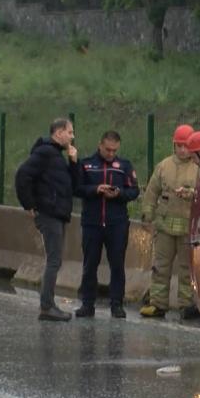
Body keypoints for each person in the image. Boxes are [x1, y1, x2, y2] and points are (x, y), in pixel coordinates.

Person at [15, 118, 78, 321]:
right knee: (53, 260)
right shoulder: (45, 153)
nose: (72, 136)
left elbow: (73, 186)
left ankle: (48, 305)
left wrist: (74, 162)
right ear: (58, 133)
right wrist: (30, 204)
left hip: (58, 213)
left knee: (55, 260)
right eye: (69, 132)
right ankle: (47, 306)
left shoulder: (57, 156)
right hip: (49, 213)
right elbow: (22, 175)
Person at [73, 130, 139, 319]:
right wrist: (96, 189)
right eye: (107, 150)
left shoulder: (124, 166)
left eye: (114, 150)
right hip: (92, 223)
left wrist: (118, 194)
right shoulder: (86, 165)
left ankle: (117, 304)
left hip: (116, 223)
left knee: (117, 264)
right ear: (100, 145)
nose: (111, 154)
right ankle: (87, 304)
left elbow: (134, 191)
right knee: (89, 264)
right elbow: (77, 188)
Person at [139, 124, 200, 320]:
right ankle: (157, 304)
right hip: (164, 228)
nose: (183, 150)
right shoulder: (164, 166)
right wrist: (147, 216)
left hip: (187, 229)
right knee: (160, 267)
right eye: (179, 145)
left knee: (186, 270)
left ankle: (187, 306)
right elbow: (151, 193)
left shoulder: (199, 168)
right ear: (174, 145)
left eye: (186, 146)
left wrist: (191, 194)